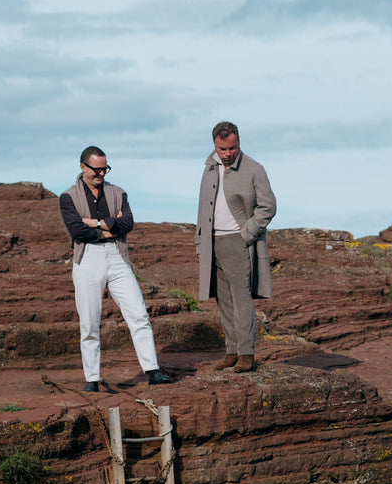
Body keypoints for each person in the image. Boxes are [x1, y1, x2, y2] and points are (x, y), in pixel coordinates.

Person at [59, 146, 173, 391]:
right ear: (83, 167)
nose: (101, 174)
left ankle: (153, 371)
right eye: (96, 169)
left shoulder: (118, 192)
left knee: (138, 313)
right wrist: (109, 227)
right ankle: (92, 379)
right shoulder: (68, 197)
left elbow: (127, 223)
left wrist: (96, 223)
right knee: (89, 322)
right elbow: (77, 230)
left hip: (117, 255)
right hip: (87, 257)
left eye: (104, 169)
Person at [196, 120, 276, 372]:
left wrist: (247, 234)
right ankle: (231, 351)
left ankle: (246, 354)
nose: (227, 154)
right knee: (224, 300)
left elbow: (268, 206)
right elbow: (202, 209)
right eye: (222, 149)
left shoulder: (254, 168)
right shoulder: (208, 168)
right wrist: (200, 245)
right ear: (215, 145)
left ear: (238, 141)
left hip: (237, 240)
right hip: (212, 242)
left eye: (231, 148)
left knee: (242, 299)